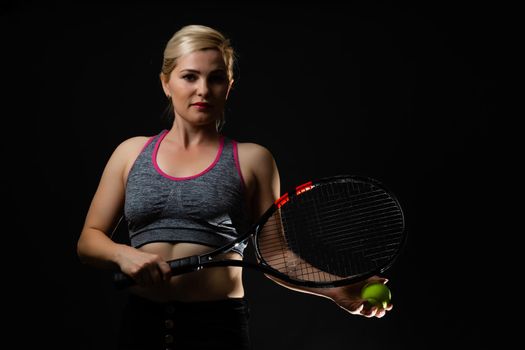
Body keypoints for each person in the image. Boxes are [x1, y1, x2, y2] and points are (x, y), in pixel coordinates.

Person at [76, 24, 393, 350]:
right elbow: (88, 241)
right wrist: (124, 256)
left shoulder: (253, 160)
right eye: (189, 76)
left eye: (215, 78)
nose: (202, 89)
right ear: (165, 83)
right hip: (141, 326)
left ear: (228, 86)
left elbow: (276, 256)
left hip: (216, 328)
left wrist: (337, 289)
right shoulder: (130, 153)